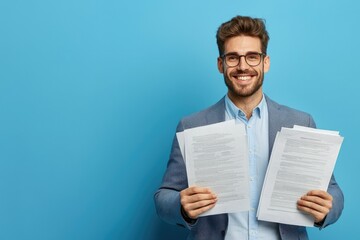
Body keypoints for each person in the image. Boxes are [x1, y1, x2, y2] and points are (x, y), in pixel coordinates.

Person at [154, 15, 344, 240]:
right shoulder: (191, 126)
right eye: (232, 57)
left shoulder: (301, 122)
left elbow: (333, 191)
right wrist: (181, 205)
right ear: (220, 64)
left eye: (252, 57)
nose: (243, 66)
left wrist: (326, 210)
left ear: (266, 62)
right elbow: (163, 197)